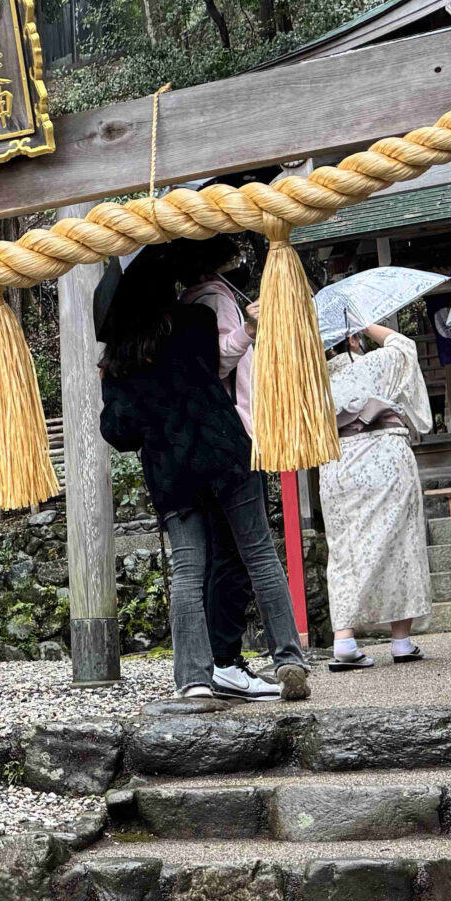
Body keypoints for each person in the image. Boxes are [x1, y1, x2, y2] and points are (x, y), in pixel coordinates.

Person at [98, 248, 311, 703]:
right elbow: (217, 370)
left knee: (188, 571)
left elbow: (119, 433)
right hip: (224, 450)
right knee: (259, 555)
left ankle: (195, 679)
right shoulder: (195, 320)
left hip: (172, 472)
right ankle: (289, 658)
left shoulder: (118, 362)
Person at [322, 320, 432, 668]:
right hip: (385, 457)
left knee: (344, 549)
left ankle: (344, 640)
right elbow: (404, 345)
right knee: (400, 543)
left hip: (338, 462)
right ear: (353, 338)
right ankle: (401, 641)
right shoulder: (379, 362)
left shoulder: (313, 379)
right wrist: (365, 322)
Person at [178, 249, 261, 677]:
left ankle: (219, 655)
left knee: (220, 554)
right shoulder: (211, 300)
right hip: (233, 434)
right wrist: (248, 329)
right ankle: (225, 656)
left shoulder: (205, 299)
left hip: (211, 438)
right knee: (234, 554)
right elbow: (219, 359)